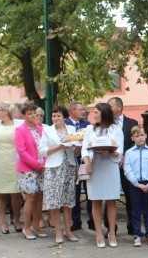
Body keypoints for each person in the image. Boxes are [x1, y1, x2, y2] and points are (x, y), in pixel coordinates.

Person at [81, 102, 124, 248]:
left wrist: (110, 152)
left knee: (111, 201)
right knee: (95, 200)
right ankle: (98, 233)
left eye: (96, 112)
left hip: (110, 167)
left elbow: (120, 151)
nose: (93, 115)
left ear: (104, 113)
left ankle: (112, 232)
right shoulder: (89, 129)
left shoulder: (116, 129)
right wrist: (87, 163)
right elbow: (84, 149)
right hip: (95, 167)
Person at [40, 106, 79, 244]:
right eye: (54, 116)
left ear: (65, 118)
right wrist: (59, 147)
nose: (56, 118)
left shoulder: (72, 130)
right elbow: (42, 150)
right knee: (54, 201)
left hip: (69, 167)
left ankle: (68, 231)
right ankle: (58, 231)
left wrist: (78, 147)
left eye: (58, 116)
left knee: (68, 201)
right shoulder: (47, 130)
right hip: (54, 168)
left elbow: (76, 151)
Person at [0, 102, 24, 234]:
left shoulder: (19, 124)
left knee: (16, 193)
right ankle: (3, 222)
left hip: (15, 161)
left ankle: (17, 220)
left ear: (7, 111)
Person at [123, 126, 148, 246]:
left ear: (146, 136)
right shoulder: (129, 153)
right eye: (137, 136)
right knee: (135, 211)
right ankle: (137, 235)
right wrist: (136, 184)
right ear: (132, 138)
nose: (140, 138)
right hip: (135, 185)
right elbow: (127, 170)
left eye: (142, 135)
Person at [15, 102, 47, 240]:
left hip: (42, 167)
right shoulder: (20, 130)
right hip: (28, 169)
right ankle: (26, 227)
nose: (33, 115)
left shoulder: (40, 129)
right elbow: (22, 152)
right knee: (31, 197)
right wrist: (36, 165)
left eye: (34, 112)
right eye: (29, 113)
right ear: (24, 116)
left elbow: (46, 147)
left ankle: (36, 225)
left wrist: (44, 164)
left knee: (40, 196)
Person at [108, 96, 139, 235]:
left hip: (127, 165)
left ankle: (132, 226)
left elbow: (135, 143)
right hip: (110, 164)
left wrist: (125, 156)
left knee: (130, 195)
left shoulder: (132, 123)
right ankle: (110, 227)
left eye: (111, 105)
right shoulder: (106, 124)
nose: (108, 108)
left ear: (119, 107)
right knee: (109, 195)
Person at [65, 101, 91, 231]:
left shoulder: (87, 124)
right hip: (71, 162)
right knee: (75, 192)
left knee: (89, 190)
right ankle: (76, 220)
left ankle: (92, 219)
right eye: (80, 109)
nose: (83, 112)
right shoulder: (65, 124)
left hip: (85, 162)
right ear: (72, 111)